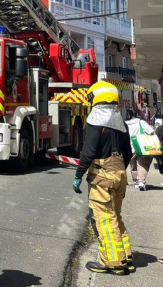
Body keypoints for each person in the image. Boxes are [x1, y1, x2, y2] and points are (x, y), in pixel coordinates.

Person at [73, 80, 133, 275]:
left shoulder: (94, 122)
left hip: (102, 176)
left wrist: (78, 175)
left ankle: (113, 262)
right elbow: (128, 152)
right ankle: (126, 257)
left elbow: (88, 153)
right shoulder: (121, 123)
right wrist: (119, 173)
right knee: (116, 216)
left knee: (105, 220)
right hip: (119, 174)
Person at [125, 108, 155, 191]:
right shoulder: (141, 122)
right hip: (142, 146)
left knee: (133, 165)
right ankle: (141, 181)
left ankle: (136, 182)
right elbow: (151, 132)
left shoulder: (125, 124)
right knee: (143, 164)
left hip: (129, 148)